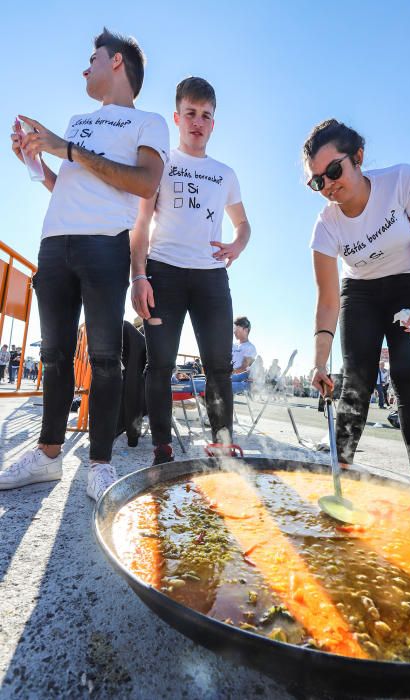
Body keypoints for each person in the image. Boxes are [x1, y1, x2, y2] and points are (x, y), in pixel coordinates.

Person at [1, 28, 169, 500]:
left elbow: (143, 182)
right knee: (52, 356)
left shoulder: (149, 122)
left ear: (116, 63)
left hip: (105, 244)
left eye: (92, 57)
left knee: (105, 357)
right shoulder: (77, 121)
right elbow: (72, 186)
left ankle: (99, 463)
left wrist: (64, 147)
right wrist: (36, 162)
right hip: (55, 241)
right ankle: (47, 455)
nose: (84, 66)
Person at [306, 119, 410, 486]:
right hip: (362, 292)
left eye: (333, 170)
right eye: (317, 181)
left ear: (358, 157)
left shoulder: (402, 181)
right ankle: (341, 477)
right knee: (356, 381)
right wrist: (320, 361)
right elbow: (327, 300)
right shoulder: (326, 225)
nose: (328, 185)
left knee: (408, 377)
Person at [131, 77, 251, 464]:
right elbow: (141, 220)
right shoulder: (161, 162)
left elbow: (244, 225)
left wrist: (236, 245)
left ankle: (222, 444)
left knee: (218, 365)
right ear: (177, 117)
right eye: (190, 114)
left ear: (213, 123)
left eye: (206, 116)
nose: (198, 122)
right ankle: (162, 447)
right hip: (163, 272)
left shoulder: (225, 173)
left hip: (211, 278)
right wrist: (139, 275)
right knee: (160, 364)